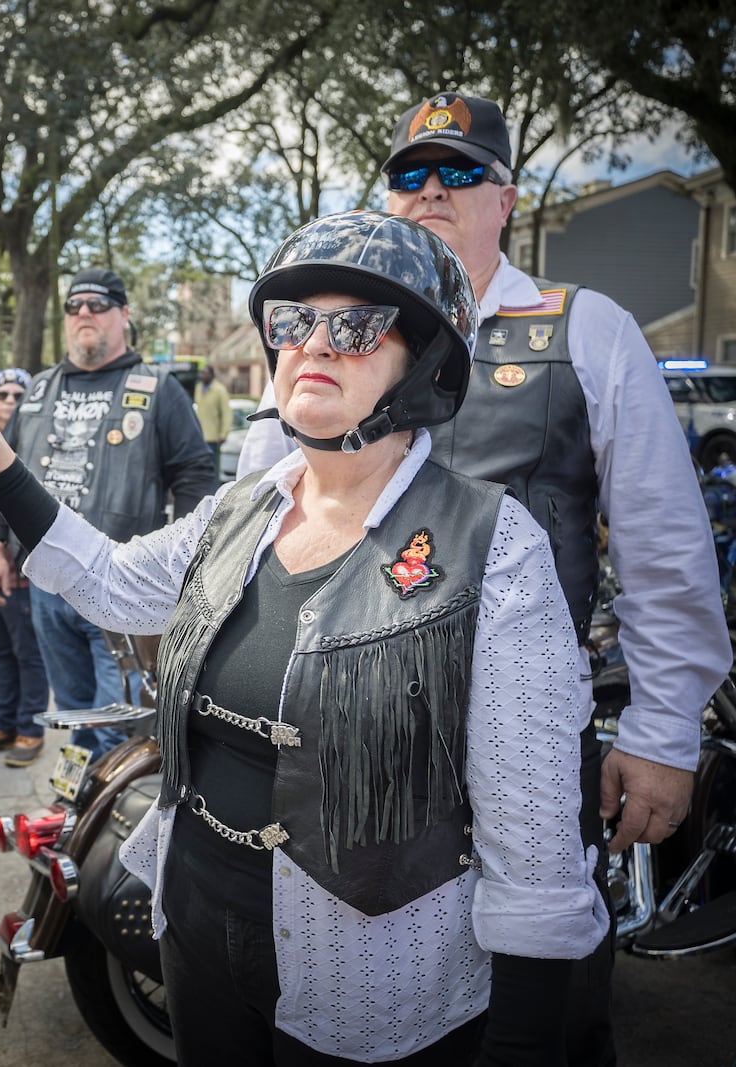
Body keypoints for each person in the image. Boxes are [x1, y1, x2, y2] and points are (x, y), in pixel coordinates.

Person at [0, 210, 609, 1064]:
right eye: (293, 322)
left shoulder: (494, 542)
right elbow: (114, 581)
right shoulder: (243, 508)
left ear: (422, 363)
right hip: (193, 931)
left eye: (356, 325)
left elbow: (535, 845)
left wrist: (521, 1044)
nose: (316, 343)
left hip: (374, 977)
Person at [235, 91, 731, 1063]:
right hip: (344, 751)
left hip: (528, 752)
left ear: (504, 198)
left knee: (541, 1010)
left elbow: (664, 553)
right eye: (408, 174)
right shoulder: (328, 334)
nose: (429, 191)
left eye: (458, 172)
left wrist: (663, 731)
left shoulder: (583, 329)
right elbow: (255, 525)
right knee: (342, 1006)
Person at [0, 267, 215, 761]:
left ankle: (114, 816)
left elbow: (195, 476)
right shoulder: (40, 389)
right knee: (74, 710)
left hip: (124, 583)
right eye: (74, 306)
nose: (84, 313)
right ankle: (78, 808)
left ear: (124, 315)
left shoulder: (157, 388)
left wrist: (189, 563)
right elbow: (6, 469)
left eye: (98, 304)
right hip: (49, 583)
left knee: (120, 716)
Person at [0, 367, 52, 765]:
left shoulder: (33, 449)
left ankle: (30, 727)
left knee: (27, 652)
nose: (10, 402)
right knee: (1, 650)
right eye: (3, 394)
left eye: (20, 395)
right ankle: (3, 722)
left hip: (19, 565)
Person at [194, 362, 233, 465]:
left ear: (211, 375)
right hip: (199, 437)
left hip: (213, 438)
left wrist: (223, 434)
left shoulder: (220, 390)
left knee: (212, 468)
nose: (201, 375)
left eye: (204, 373)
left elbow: (226, 413)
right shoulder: (198, 388)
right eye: (201, 373)